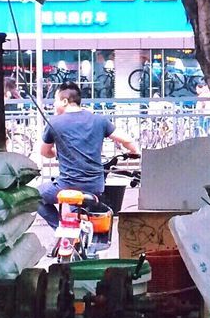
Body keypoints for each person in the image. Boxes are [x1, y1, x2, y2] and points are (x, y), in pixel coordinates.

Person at [37, 84, 139, 228]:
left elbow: (44, 152)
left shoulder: (54, 122)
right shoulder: (99, 120)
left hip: (66, 185)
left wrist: (59, 154)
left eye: (56, 100)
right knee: (80, 210)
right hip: (95, 186)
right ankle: (85, 237)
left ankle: (59, 228)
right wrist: (133, 151)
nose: (54, 105)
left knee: (34, 196)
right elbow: (128, 140)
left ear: (65, 101)